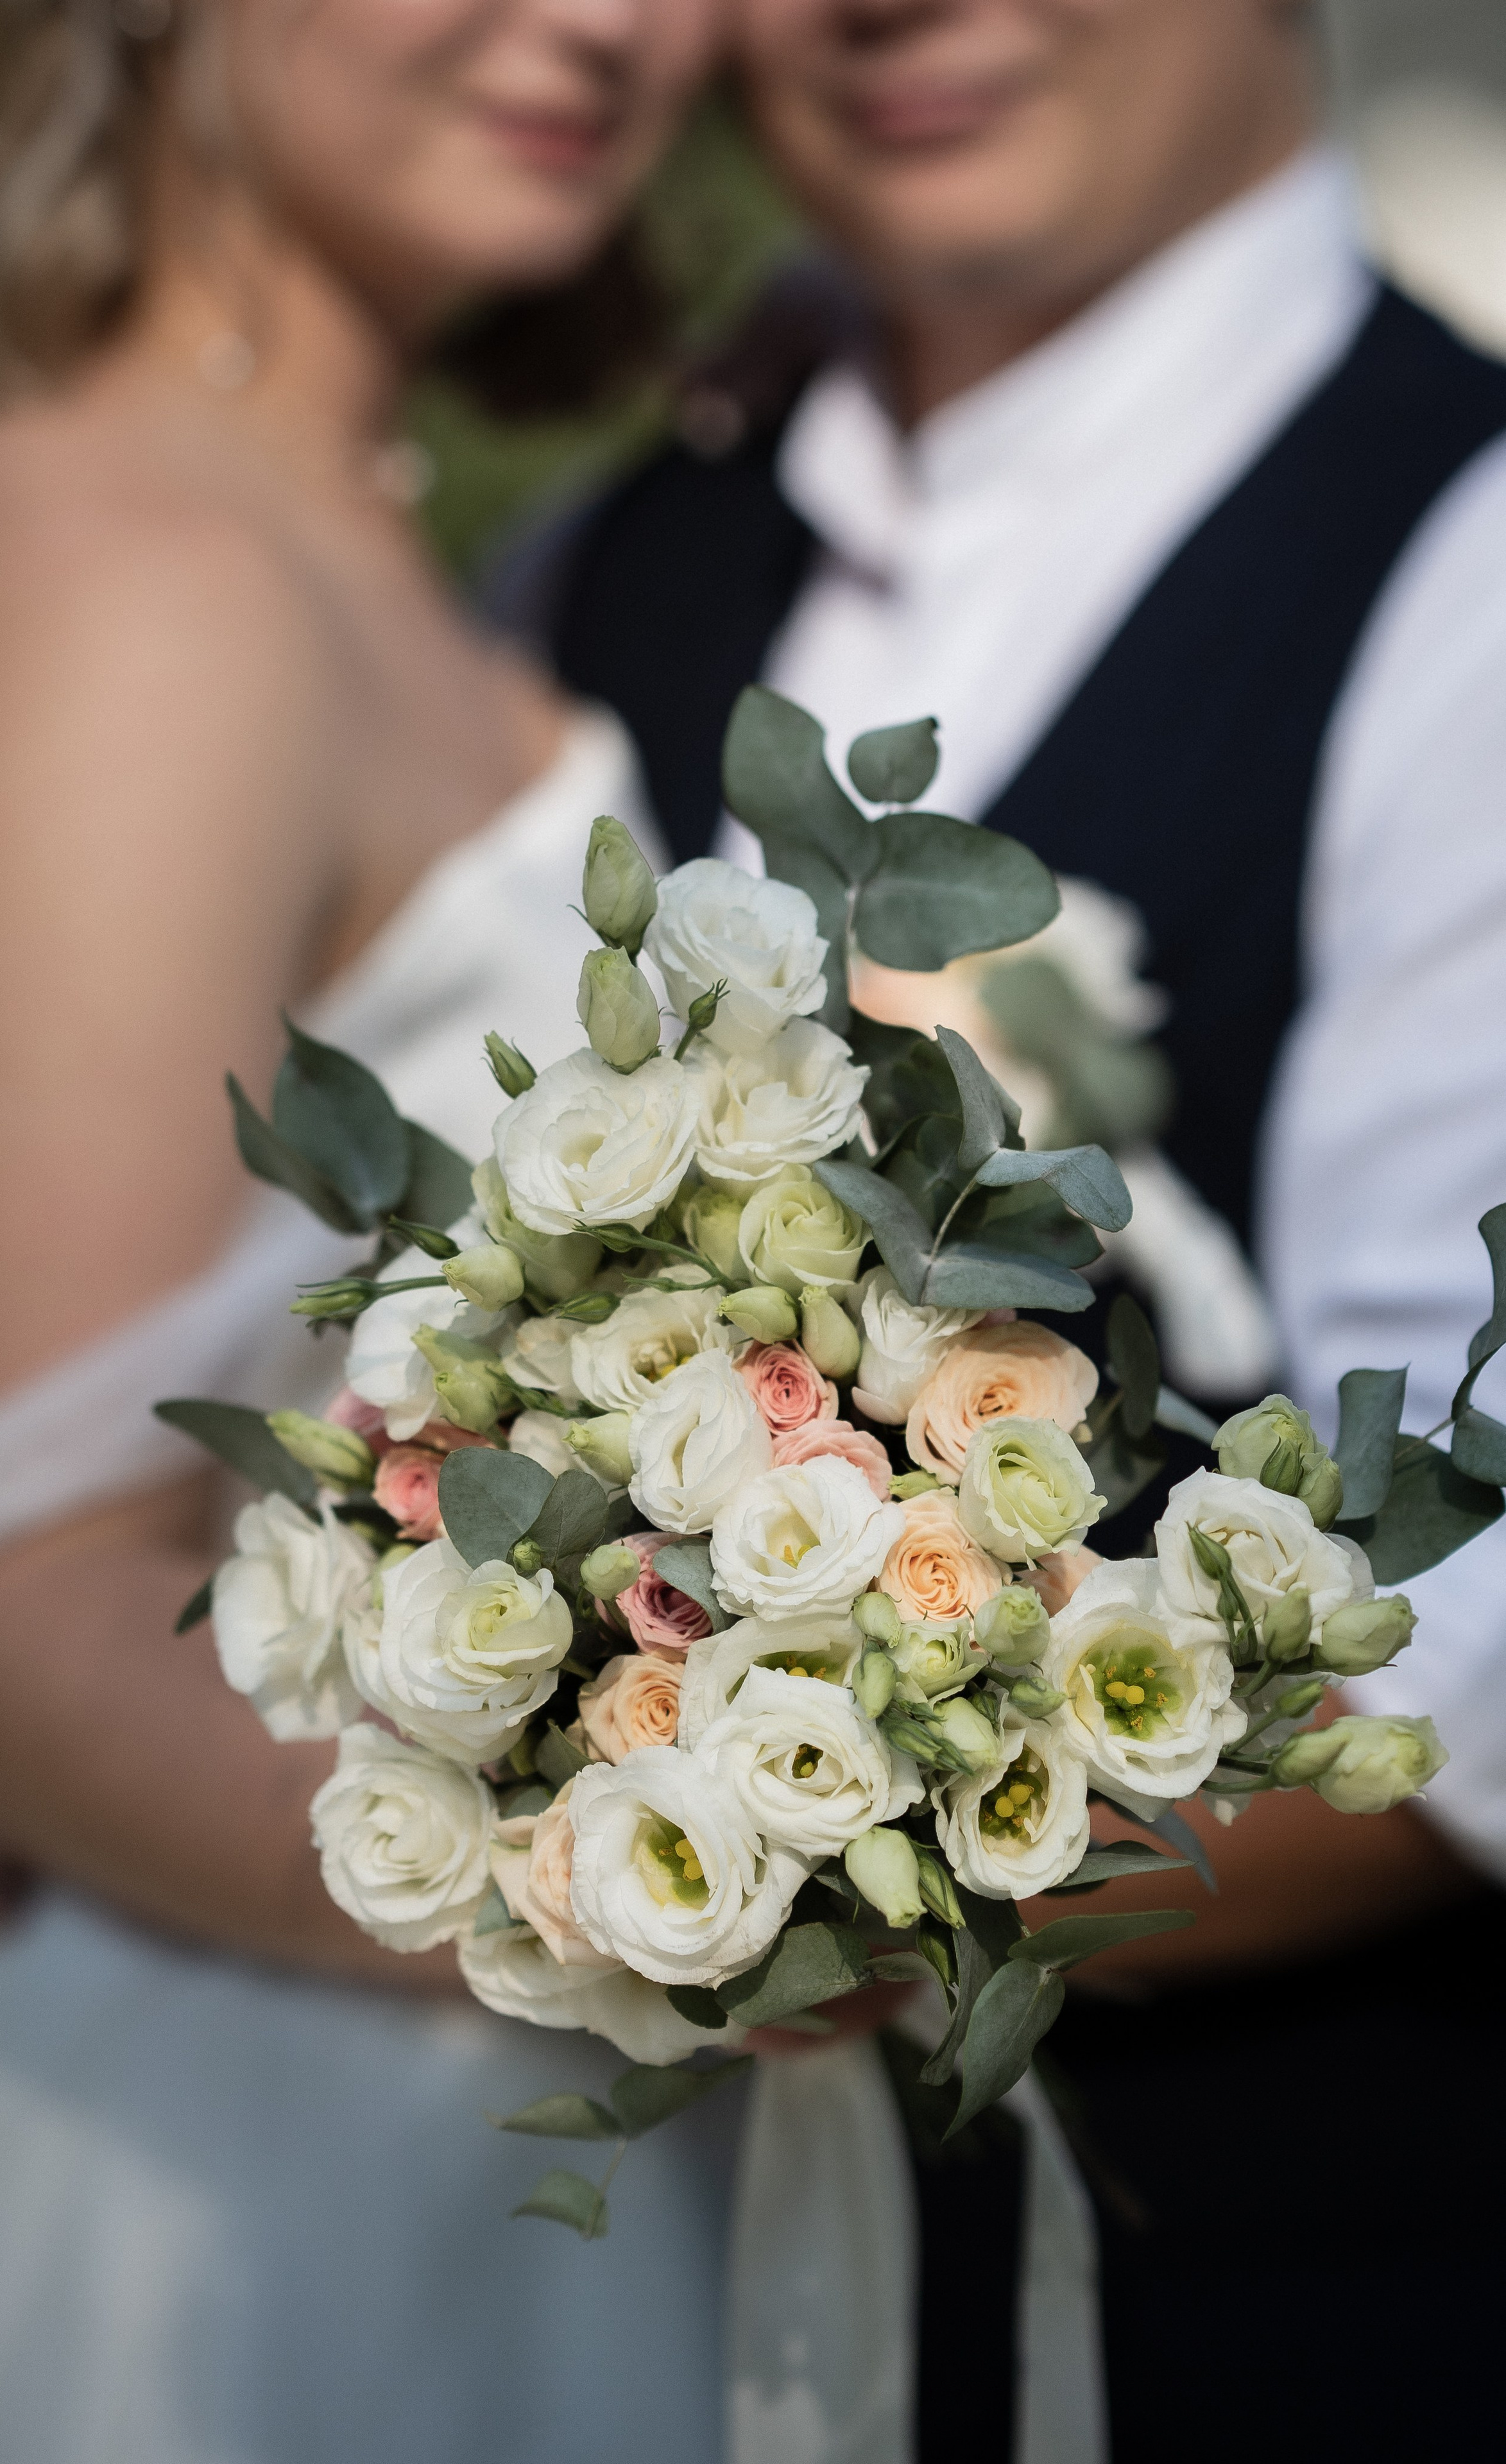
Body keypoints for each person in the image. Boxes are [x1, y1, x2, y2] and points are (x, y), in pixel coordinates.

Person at [505, 1, 1506, 2454]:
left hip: (1267, 2323)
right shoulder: (609, 558)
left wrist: (713, 1864)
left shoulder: (1464, 565)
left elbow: (1477, 1653)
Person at [0, 4, 732, 2460]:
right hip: (236, 2199)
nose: (607, 26)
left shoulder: (350, 532)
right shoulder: (132, 567)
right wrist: (712, 1892)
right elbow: (25, 1616)